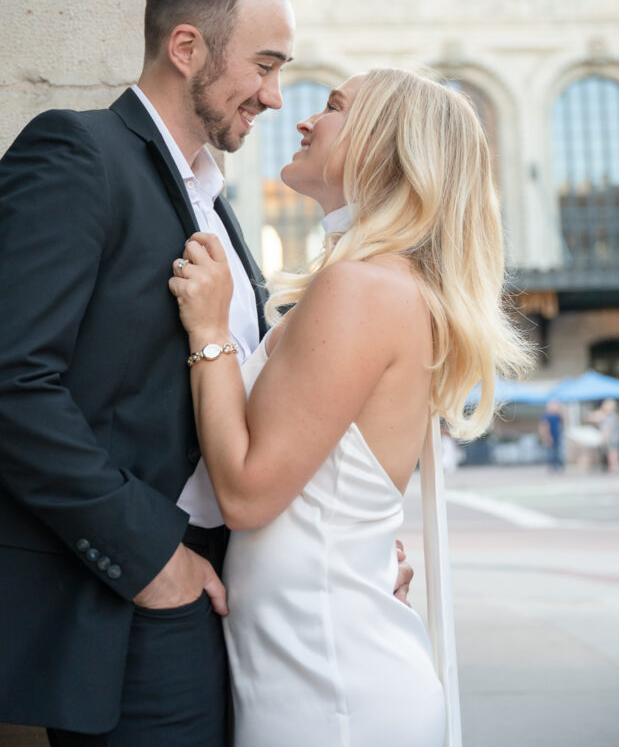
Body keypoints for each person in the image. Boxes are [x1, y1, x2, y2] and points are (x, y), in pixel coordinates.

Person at [0, 0, 412, 747]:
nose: (273, 94)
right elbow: (2, 382)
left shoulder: (215, 205)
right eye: (263, 65)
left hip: (225, 586)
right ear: (185, 48)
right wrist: (151, 559)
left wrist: (344, 544)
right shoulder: (76, 154)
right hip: (126, 594)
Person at [170, 68, 532, 747]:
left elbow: (247, 494)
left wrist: (211, 333)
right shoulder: (388, 285)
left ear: (385, 150)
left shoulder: (361, 289)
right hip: (319, 664)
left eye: (333, 107)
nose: (305, 119)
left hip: (328, 686)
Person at [539, 399, 565, 471]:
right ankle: (552, 466)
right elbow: (544, 426)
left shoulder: (557, 415)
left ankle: (558, 466)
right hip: (550, 435)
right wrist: (547, 436)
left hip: (557, 435)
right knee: (551, 452)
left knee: (558, 452)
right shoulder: (547, 415)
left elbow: (562, 421)